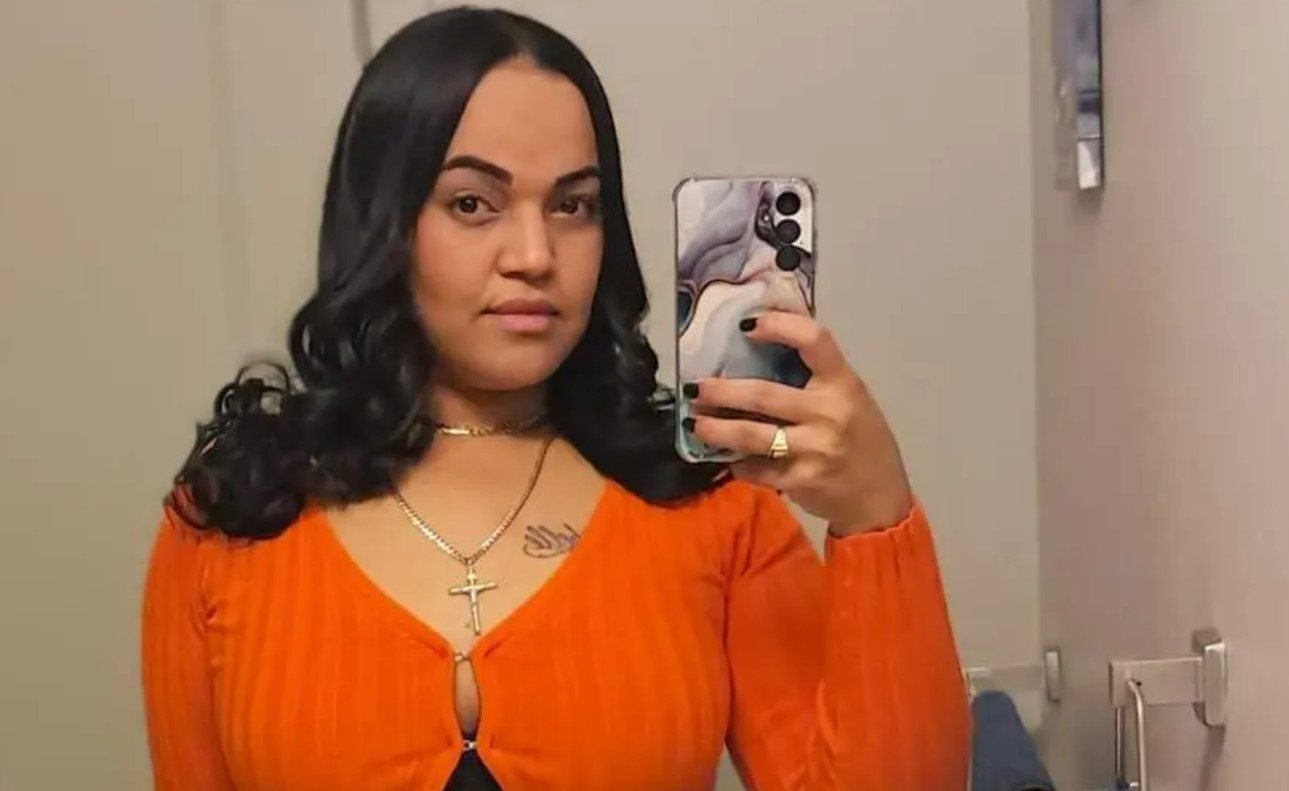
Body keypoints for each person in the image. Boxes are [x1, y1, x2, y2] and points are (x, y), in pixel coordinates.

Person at [140, 7, 971, 791]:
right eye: (474, 203)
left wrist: (877, 516)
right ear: (383, 223)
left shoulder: (711, 503)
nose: (536, 254)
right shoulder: (232, 510)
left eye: (574, 205)